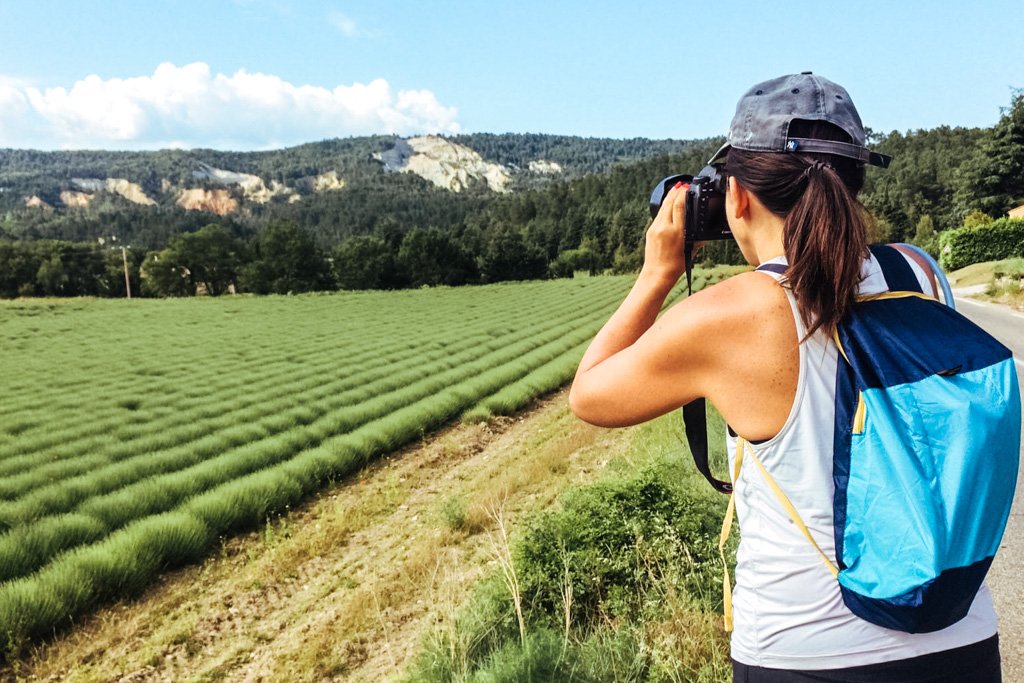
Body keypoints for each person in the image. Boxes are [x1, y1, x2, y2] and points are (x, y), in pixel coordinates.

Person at [568, 72, 1001, 682]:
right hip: (960, 636)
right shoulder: (920, 271)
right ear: (853, 185)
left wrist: (656, 275)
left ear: (736, 196)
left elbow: (590, 396)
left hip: (806, 653)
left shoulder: (735, 312)